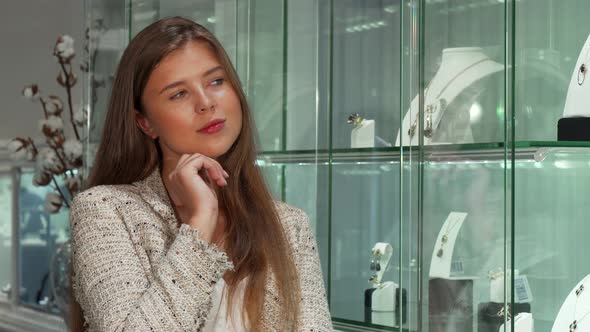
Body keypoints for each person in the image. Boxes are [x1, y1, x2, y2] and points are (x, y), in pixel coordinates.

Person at [69, 16, 332, 331]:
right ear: (145, 122)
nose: (206, 102)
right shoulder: (104, 211)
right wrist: (199, 224)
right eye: (178, 94)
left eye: (216, 81)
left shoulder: (290, 227)